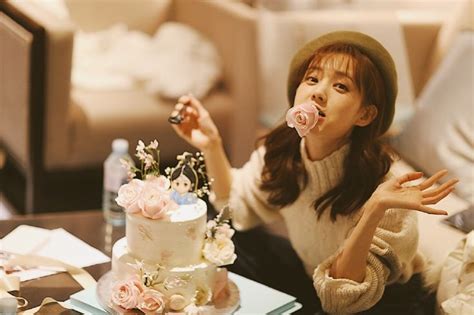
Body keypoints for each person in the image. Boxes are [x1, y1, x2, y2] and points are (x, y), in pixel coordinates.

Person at [170, 31, 458, 314]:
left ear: (365, 115)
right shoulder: (282, 153)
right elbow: (235, 209)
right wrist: (212, 144)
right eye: (312, 79)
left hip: (379, 302)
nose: (318, 92)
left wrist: (373, 209)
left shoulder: (385, 185)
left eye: (341, 87)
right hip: (314, 280)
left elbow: (343, 300)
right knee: (221, 233)